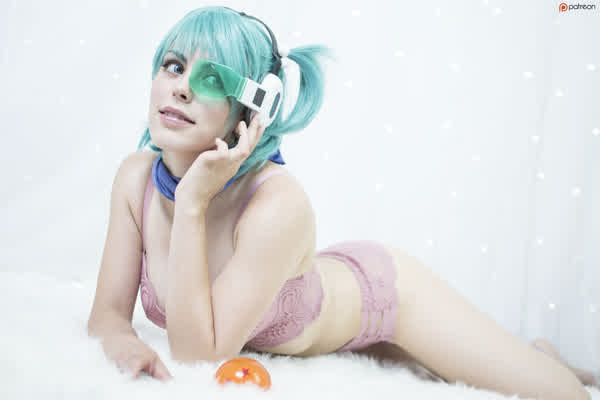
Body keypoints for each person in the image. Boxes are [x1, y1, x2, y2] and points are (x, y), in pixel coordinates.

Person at [87, 6, 596, 399]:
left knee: (562, 395)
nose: (180, 89)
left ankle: (542, 359)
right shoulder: (135, 180)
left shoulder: (276, 203)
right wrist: (119, 339)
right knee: (437, 368)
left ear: (249, 111)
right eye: (174, 66)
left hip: (386, 298)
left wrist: (192, 204)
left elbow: (198, 356)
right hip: (324, 310)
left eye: (211, 79)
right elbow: (107, 315)